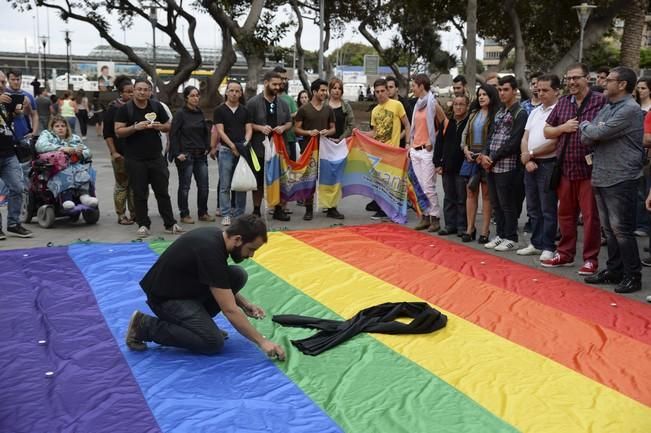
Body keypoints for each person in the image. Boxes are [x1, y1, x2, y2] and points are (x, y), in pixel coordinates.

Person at [125, 215, 286, 360]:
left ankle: (200, 326)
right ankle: (144, 326)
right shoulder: (210, 251)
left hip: (182, 289)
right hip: (165, 299)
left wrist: (245, 304)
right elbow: (229, 309)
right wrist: (262, 341)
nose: (251, 256)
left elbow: (219, 282)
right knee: (212, 342)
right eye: (251, 249)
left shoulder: (216, 237)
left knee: (237, 275)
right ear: (237, 239)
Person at [580, 67, 645, 294]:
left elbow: (595, 134)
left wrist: (590, 127)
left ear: (622, 85)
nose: (604, 83)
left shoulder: (630, 109)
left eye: (609, 80)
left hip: (621, 176)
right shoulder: (608, 107)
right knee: (609, 229)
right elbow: (587, 136)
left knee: (621, 230)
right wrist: (592, 128)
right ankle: (614, 270)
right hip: (602, 175)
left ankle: (632, 276)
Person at [542, 63, 607, 275]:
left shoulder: (601, 101)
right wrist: (563, 128)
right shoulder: (563, 103)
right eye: (568, 79)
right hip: (565, 169)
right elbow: (547, 131)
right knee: (566, 214)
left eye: (576, 78)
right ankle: (565, 253)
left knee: (590, 217)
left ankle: (590, 259)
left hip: (590, 170)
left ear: (588, 78)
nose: (571, 82)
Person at [114, 78, 182, 238]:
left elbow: (169, 126)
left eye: (146, 89)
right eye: (139, 89)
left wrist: (161, 126)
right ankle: (143, 224)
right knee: (139, 192)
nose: (142, 92)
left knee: (162, 191)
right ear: (134, 90)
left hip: (156, 157)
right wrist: (134, 127)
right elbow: (118, 131)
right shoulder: (126, 109)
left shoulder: (156, 106)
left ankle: (170, 223)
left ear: (150, 92)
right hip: (134, 158)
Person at [479, 75, 528, 252]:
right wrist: (484, 154)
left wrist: (493, 158)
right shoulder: (500, 112)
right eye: (499, 90)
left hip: (507, 166)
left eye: (506, 89)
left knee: (508, 204)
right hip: (491, 164)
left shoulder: (520, 113)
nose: (502, 93)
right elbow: (490, 136)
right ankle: (500, 234)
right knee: (496, 203)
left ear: (514, 91)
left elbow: (514, 142)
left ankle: (511, 237)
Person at [517, 74, 561, 260]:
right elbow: (525, 137)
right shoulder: (535, 111)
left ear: (557, 91)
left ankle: (548, 246)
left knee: (547, 208)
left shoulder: (560, 110)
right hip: (530, 163)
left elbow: (555, 142)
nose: (540, 93)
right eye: (539, 90)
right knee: (533, 207)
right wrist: (527, 159)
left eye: (545, 90)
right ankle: (536, 242)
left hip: (548, 163)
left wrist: (531, 154)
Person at [247, 71, 292, 221]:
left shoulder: (284, 103)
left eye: (279, 84)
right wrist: (260, 128)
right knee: (259, 180)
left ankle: (278, 208)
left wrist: (283, 128)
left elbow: (289, 122)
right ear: (266, 83)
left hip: (279, 148)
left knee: (278, 179)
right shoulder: (253, 103)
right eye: (274, 84)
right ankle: (256, 210)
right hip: (259, 148)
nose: (277, 87)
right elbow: (247, 124)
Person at [295, 78, 339, 221]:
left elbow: (333, 128)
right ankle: (308, 209)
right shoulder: (303, 109)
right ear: (314, 91)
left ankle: (332, 208)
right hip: (309, 150)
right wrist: (308, 133)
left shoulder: (328, 109)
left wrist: (328, 131)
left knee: (329, 179)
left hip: (326, 151)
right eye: (322, 90)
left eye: (326, 90)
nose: (325, 93)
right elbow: (296, 129)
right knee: (309, 180)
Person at [460, 84, 499, 244]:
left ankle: (485, 230)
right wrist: (465, 149)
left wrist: (484, 155)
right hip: (470, 156)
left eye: (485, 94)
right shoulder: (473, 113)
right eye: (479, 94)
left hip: (486, 157)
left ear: (491, 96)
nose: (481, 97)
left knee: (487, 195)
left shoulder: (496, 114)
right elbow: (465, 134)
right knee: (470, 191)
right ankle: (470, 228)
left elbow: (494, 137)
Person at [169, 86, 213, 225]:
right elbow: (173, 134)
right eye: (192, 95)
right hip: (186, 155)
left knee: (204, 186)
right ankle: (184, 214)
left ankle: (203, 212)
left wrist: (207, 147)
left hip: (200, 155)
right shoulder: (180, 114)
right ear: (186, 98)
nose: (196, 98)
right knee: (185, 187)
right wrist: (177, 154)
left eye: (197, 95)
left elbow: (205, 131)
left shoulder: (200, 112)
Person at [35, 115, 98, 209]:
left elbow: (88, 152)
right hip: (55, 168)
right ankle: (66, 198)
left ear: (66, 127)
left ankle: (85, 196)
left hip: (75, 166)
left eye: (63, 126)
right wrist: (62, 148)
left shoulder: (74, 138)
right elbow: (40, 146)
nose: (60, 128)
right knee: (65, 174)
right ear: (52, 128)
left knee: (83, 173)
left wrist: (80, 153)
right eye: (57, 126)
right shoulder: (47, 135)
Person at [214, 80, 251, 226]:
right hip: (225, 150)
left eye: (237, 91)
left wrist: (245, 143)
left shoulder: (245, 110)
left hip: (242, 149)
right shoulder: (220, 110)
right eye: (231, 90)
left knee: (240, 183)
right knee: (225, 184)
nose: (234, 93)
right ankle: (226, 213)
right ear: (226, 92)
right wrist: (232, 146)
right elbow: (220, 131)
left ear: (241, 93)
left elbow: (248, 129)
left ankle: (240, 213)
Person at [0, 73, 33, 239]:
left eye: (4, 81)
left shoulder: (6, 99)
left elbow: (12, 120)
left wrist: (20, 110)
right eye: (0, 81)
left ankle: (13, 223)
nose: (3, 84)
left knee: (18, 188)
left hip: (8, 151)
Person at [409, 73, 443, 232]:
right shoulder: (417, 104)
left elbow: (445, 125)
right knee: (419, 186)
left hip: (427, 151)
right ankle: (424, 216)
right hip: (415, 149)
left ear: (421, 86)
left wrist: (432, 139)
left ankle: (435, 217)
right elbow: (414, 127)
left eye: (414, 86)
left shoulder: (433, 103)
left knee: (428, 186)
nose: (412, 89)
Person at [435, 95, 469, 236]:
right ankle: (450, 224)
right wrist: (437, 163)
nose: (458, 107)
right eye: (456, 104)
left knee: (462, 198)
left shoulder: (468, 123)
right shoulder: (447, 123)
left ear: (467, 106)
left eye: (461, 104)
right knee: (449, 197)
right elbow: (439, 144)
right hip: (447, 166)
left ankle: (462, 226)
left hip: (462, 167)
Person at [103, 75, 136, 225]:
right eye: (128, 92)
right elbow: (108, 133)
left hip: (136, 154)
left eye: (132, 91)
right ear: (121, 93)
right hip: (120, 154)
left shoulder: (138, 106)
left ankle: (135, 213)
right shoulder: (113, 108)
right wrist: (114, 152)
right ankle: (121, 215)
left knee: (135, 185)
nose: (131, 94)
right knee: (122, 185)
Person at [274, 66, 299, 162]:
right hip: (272, 141)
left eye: (285, 79)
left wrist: (286, 117)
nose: (284, 81)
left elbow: (296, 113)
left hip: (289, 139)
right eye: (282, 79)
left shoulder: (289, 99)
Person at [327, 77, 355, 142]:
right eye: (334, 88)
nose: (337, 90)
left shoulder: (346, 106)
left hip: (342, 143)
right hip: (325, 142)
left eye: (339, 89)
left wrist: (341, 139)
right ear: (330, 90)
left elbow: (351, 125)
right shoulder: (324, 105)